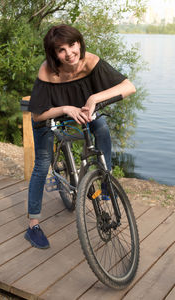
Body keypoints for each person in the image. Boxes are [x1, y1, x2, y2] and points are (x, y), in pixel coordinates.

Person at [24, 24, 136, 249]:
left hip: (82, 111)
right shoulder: (47, 70)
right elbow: (37, 115)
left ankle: (105, 183)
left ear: (79, 43)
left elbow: (129, 86)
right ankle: (33, 226)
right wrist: (66, 108)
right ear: (53, 53)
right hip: (50, 114)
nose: (69, 53)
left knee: (101, 125)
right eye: (61, 50)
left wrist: (93, 99)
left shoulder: (91, 62)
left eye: (72, 45)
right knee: (42, 163)